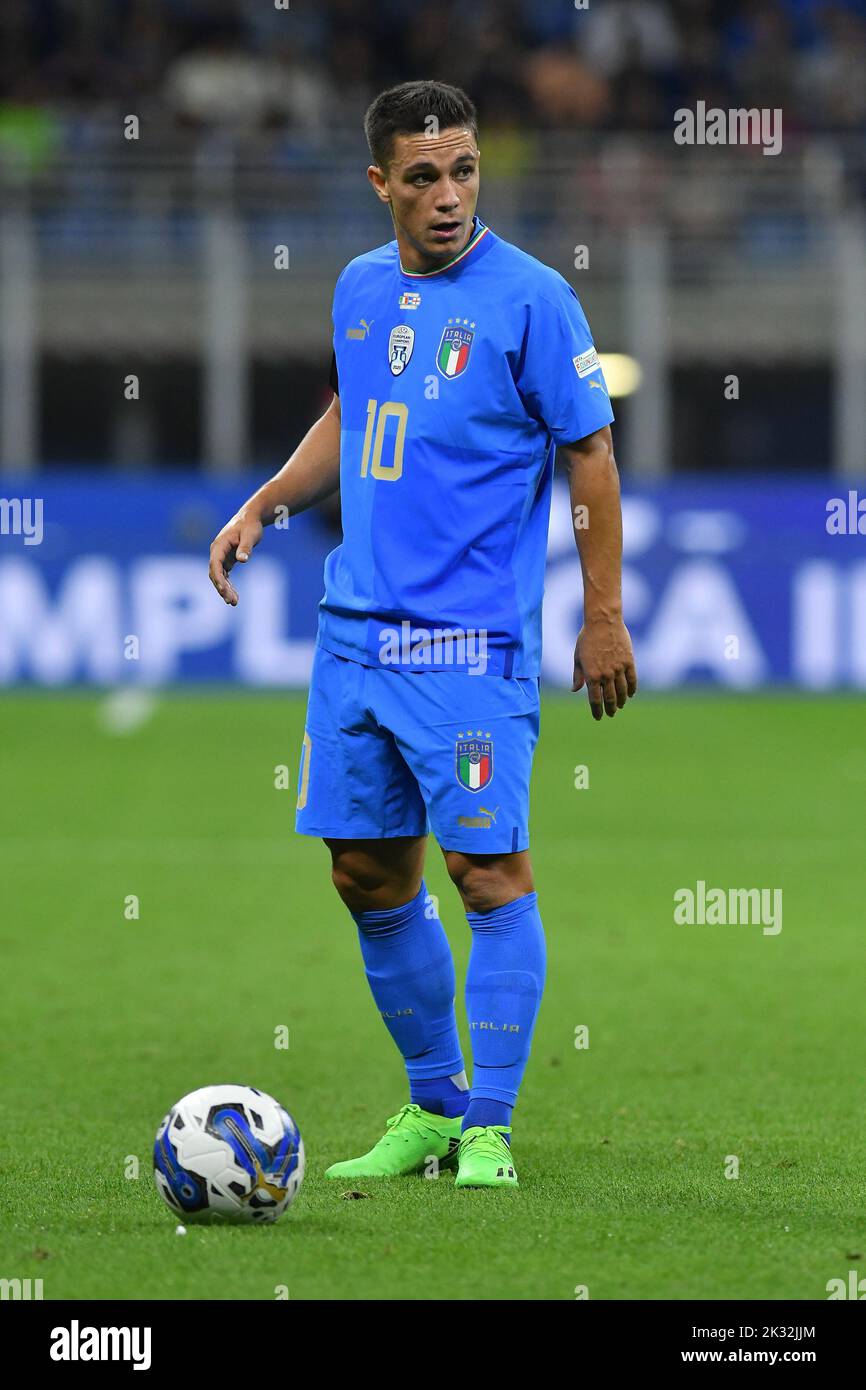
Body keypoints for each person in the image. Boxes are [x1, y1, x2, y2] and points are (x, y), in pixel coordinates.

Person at [209, 79, 637, 1190]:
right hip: (352, 638)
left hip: (469, 648)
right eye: (421, 177)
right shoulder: (355, 288)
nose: (446, 197)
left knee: (484, 872)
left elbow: (588, 453)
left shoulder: (533, 299)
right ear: (378, 183)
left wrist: (600, 613)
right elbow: (356, 410)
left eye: (463, 172)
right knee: (363, 872)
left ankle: (488, 1127)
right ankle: (434, 1108)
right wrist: (269, 500)